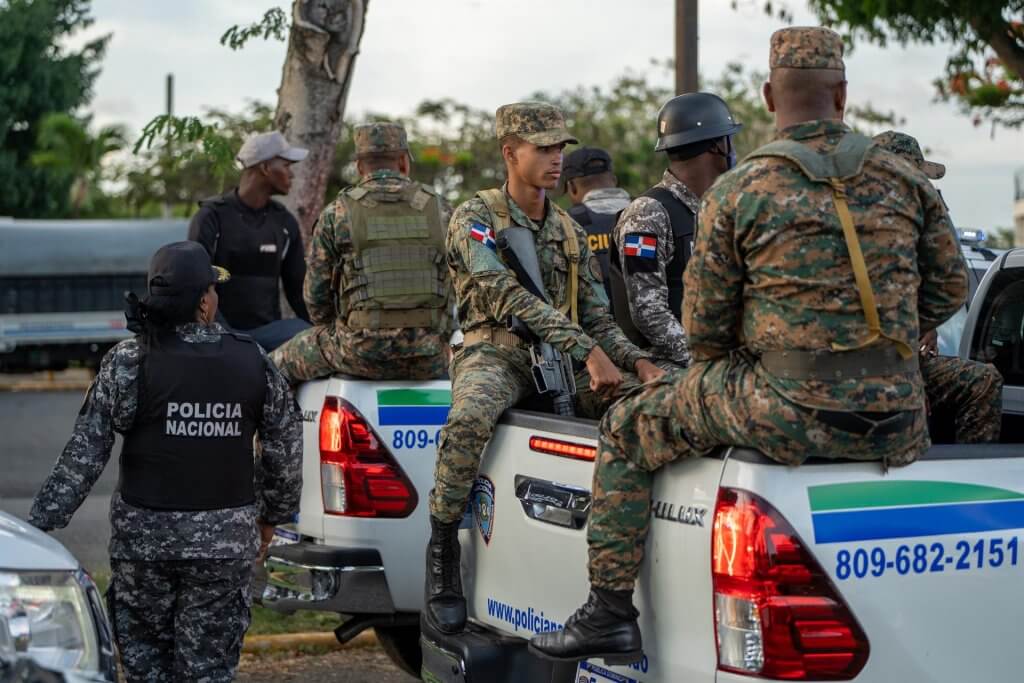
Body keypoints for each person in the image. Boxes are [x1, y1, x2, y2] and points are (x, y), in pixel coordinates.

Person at [531, 26, 969, 663]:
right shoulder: (906, 179)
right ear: (842, 94)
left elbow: (703, 330)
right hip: (899, 416)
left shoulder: (740, 190)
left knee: (627, 423)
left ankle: (608, 612)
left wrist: (766, 352)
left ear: (769, 96)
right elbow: (948, 290)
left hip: (786, 412)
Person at [424, 102, 663, 635]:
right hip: (496, 349)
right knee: (468, 421)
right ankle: (441, 552)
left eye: (561, 148)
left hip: (564, 356)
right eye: (544, 148)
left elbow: (598, 314)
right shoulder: (475, 217)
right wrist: (587, 350)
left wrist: (641, 363)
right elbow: (503, 291)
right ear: (510, 153)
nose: (557, 159)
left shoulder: (568, 230)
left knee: (646, 407)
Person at [29, 241, 303, 682]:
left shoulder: (128, 361)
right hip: (223, 551)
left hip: (143, 551)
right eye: (213, 290)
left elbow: (84, 455)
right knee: (207, 670)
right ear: (203, 303)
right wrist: (272, 515)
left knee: (145, 670)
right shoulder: (252, 361)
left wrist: (39, 527)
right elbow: (285, 447)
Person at [269, 122, 453, 383]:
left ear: (359, 166)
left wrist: (343, 328)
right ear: (403, 161)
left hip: (359, 354)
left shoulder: (337, 213)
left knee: (273, 366)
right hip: (430, 358)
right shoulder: (442, 210)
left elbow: (316, 299)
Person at [874, 130, 1002, 443]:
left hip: (900, 363)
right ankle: (973, 478)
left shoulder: (912, 231)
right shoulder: (866, 231)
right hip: (869, 368)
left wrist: (926, 325)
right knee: (982, 381)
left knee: (982, 378)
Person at [610, 92, 741, 370]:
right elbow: (649, 313)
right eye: (730, 141)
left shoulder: (715, 208)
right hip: (663, 362)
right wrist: (706, 363)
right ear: (718, 146)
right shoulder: (648, 213)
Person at [188, 131, 311, 352]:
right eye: (286, 166)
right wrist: (226, 340)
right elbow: (197, 286)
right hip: (221, 336)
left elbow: (298, 290)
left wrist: (323, 330)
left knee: (304, 331)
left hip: (270, 335)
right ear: (265, 168)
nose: (291, 175)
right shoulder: (211, 217)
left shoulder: (284, 221)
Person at [562, 147, 631, 306]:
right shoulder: (649, 211)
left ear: (572, 187)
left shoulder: (566, 223)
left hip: (595, 327)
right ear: (613, 179)